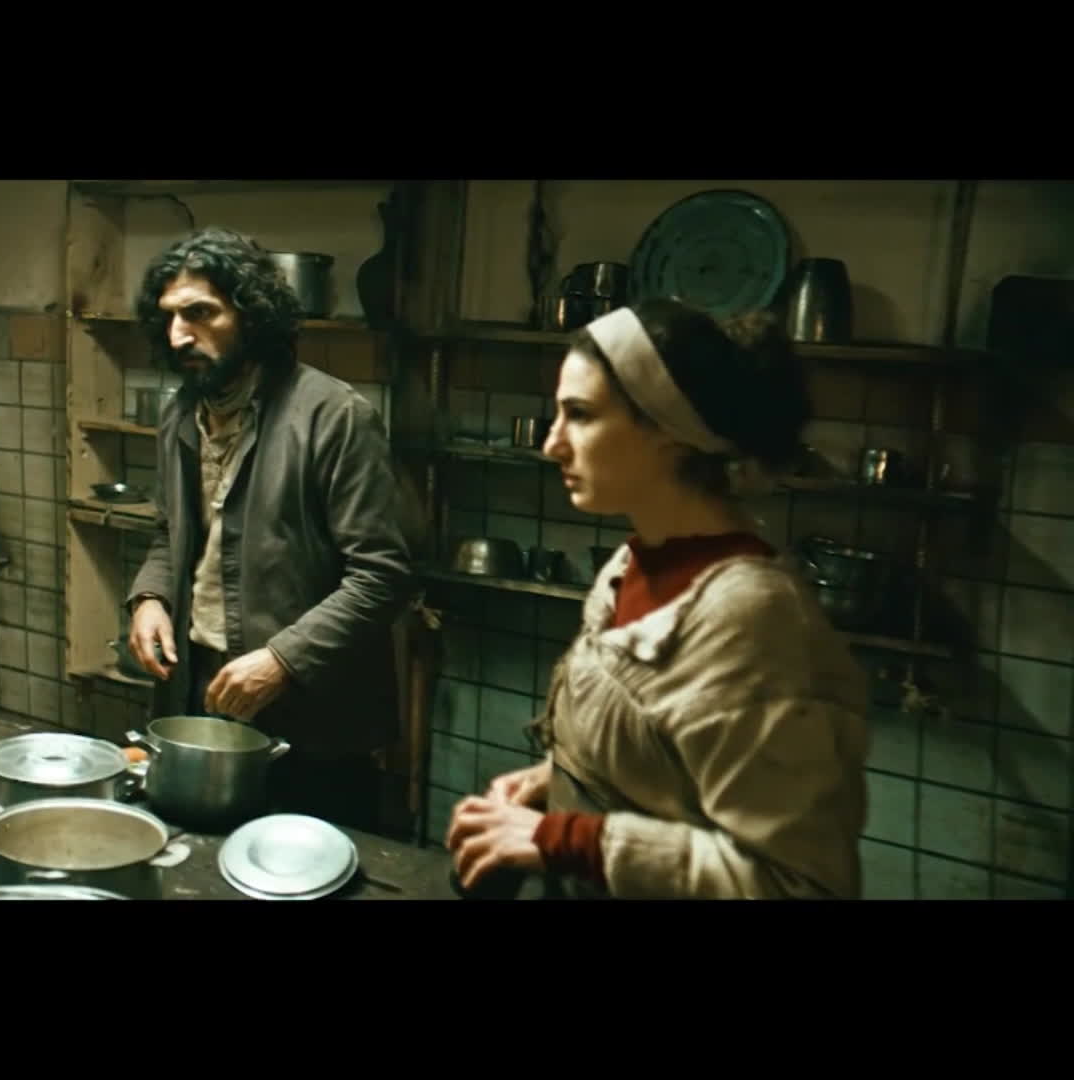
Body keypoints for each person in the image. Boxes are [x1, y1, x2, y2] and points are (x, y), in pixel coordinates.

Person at [444, 299, 870, 899]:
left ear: (669, 430)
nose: (552, 444)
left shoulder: (751, 619)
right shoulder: (630, 567)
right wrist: (559, 783)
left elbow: (796, 882)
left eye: (580, 415)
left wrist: (571, 839)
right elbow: (660, 767)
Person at [123, 227, 417, 833]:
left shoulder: (334, 416)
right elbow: (169, 535)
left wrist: (283, 660)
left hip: (313, 720)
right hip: (204, 692)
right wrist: (150, 597)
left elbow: (383, 576)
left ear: (251, 315)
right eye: (169, 317)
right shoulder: (180, 414)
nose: (179, 335)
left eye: (200, 313)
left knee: (306, 862)